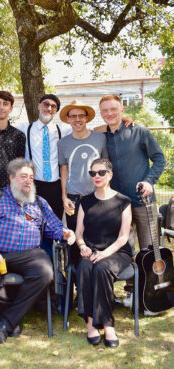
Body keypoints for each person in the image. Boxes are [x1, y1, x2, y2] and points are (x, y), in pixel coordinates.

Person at [0, 158, 75, 343]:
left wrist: (66, 233)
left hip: (30, 255)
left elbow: (55, 227)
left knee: (44, 273)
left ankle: (6, 321)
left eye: (31, 177)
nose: (28, 181)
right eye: (23, 176)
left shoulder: (39, 202)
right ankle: (12, 318)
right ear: (11, 177)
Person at [98, 94, 166, 310]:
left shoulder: (140, 131)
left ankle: (151, 294)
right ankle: (130, 291)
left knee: (148, 249)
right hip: (116, 205)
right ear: (101, 113)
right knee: (125, 248)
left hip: (142, 201)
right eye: (105, 110)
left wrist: (150, 181)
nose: (109, 113)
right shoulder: (100, 136)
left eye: (113, 109)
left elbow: (159, 158)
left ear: (121, 110)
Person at [0, 94, 72, 219]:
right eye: (46, 104)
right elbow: (1, 123)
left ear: (56, 110)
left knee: (54, 224)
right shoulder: (24, 128)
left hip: (55, 186)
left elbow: (85, 129)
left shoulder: (64, 129)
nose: (49, 108)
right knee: (33, 225)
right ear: (39, 106)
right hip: (33, 185)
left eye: (53, 106)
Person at [75, 158, 132, 348]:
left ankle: (107, 324)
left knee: (101, 268)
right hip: (90, 250)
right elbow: (79, 234)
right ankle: (91, 322)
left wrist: (105, 253)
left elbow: (124, 237)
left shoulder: (123, 201)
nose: (97, 177)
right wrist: (82, 246)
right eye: (93, 173)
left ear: (110, 175)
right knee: (84, 266)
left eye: (101, 173)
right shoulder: (86, 202)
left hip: (116, 252)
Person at [58, 100, 108, 262]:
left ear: (87, 118)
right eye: (73, 116)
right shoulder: (63, 143)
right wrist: (64, 196)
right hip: (73, 199)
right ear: (68, 119)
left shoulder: (100, 138)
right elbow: (63, 170)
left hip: (96, 197)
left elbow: (106, 166)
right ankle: (75, 280)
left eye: (81, 115)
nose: (77, 119)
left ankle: (95, 278)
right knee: (74, 242)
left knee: (97, 239)